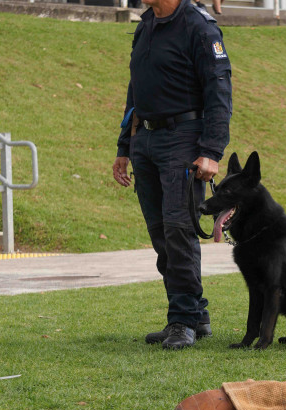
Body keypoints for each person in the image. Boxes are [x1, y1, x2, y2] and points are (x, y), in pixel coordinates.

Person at [113, 0, 232, 349]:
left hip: (183, 137)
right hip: (145, 139)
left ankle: (182, 320)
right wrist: (124, 147)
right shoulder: (146, 23)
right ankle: (196, 312)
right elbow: (136, 89)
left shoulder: (200, 27)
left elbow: (219, 91)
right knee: (160, 233)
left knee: (178, 230)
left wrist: (211, 151)